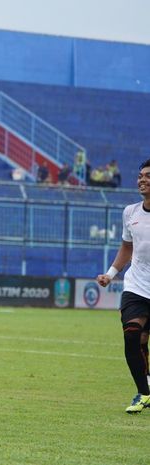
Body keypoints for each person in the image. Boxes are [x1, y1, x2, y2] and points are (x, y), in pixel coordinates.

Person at [96, 158, 150, 414]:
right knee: (132, 335)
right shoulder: (130, 212)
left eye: (148, 176)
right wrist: (111, 273)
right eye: (140, 175)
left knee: (142, 339)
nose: (142, 180)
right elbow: (127, 247)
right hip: (136, 286)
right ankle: (144, 392)